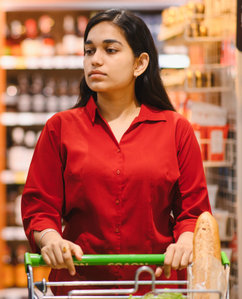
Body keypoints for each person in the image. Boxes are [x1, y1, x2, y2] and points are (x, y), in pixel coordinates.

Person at [21, 9, 211, 295]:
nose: (95, 60)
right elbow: (39, 206)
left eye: (110, 50)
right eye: (89, 51)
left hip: (156, 287)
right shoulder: (59, 128)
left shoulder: (176, 129)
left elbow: (193, 211)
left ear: (140, 63)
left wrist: (186, 241)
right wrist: (50, 239)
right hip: (80, 287)